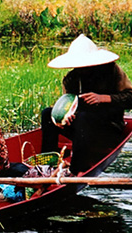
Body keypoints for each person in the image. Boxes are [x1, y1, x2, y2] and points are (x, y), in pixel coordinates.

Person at [40, 34, 132, 174]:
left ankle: (77, 169)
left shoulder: (112, 72)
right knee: (48, 114)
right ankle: (47, 165)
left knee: (84, 118)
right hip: (82, 129)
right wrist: (66, 117)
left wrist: (105, 98)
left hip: (108, 129)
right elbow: (68, 104)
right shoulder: (71, 79)